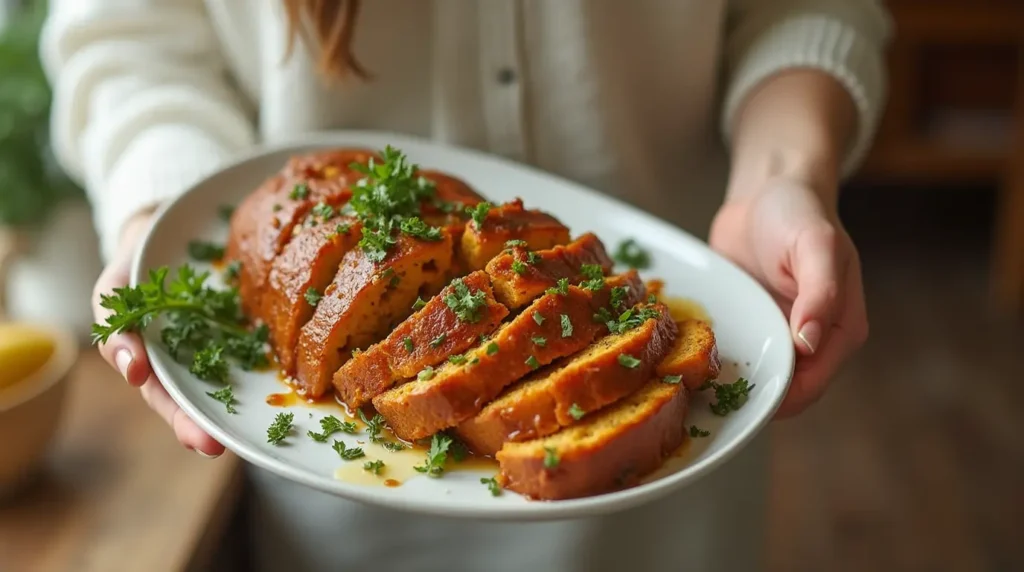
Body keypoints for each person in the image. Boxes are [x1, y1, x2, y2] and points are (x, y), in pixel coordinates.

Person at [42, 1, 886, 570]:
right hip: (348, 509)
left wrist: (785, 172)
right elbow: (130, 40)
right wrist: (166, 218)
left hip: (676, 479)